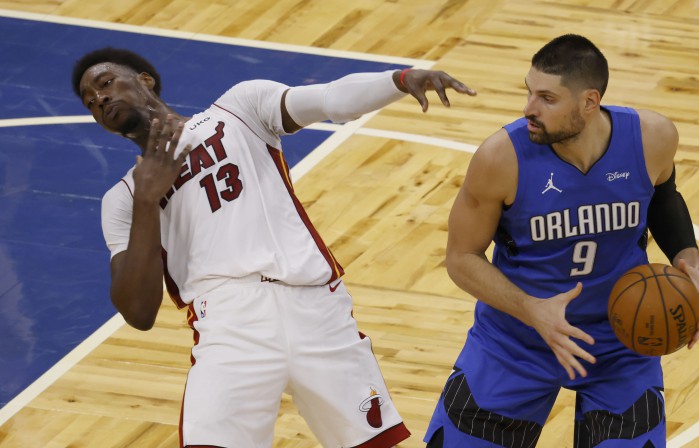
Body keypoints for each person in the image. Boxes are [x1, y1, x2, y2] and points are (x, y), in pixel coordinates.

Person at [71, 47, 476, 448]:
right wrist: (147, 200)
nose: (100, 99)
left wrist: (400, 81)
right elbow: (137, 312)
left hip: (315, 308)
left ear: (145, 79)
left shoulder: (237, 110)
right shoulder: (123, 198)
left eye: (105, 83)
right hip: (229, 327)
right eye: (91, 102)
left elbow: (331, 98)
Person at [424, 34, 699, 448]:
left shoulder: (653, 138)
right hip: (516, 341)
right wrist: (532, 310)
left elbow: (664, 199)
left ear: (590, 102)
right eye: (529, 92)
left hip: (621, 342)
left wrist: (691, 261)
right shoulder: (500, 159)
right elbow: (461, 257)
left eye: (547, 98)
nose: (529, 109)